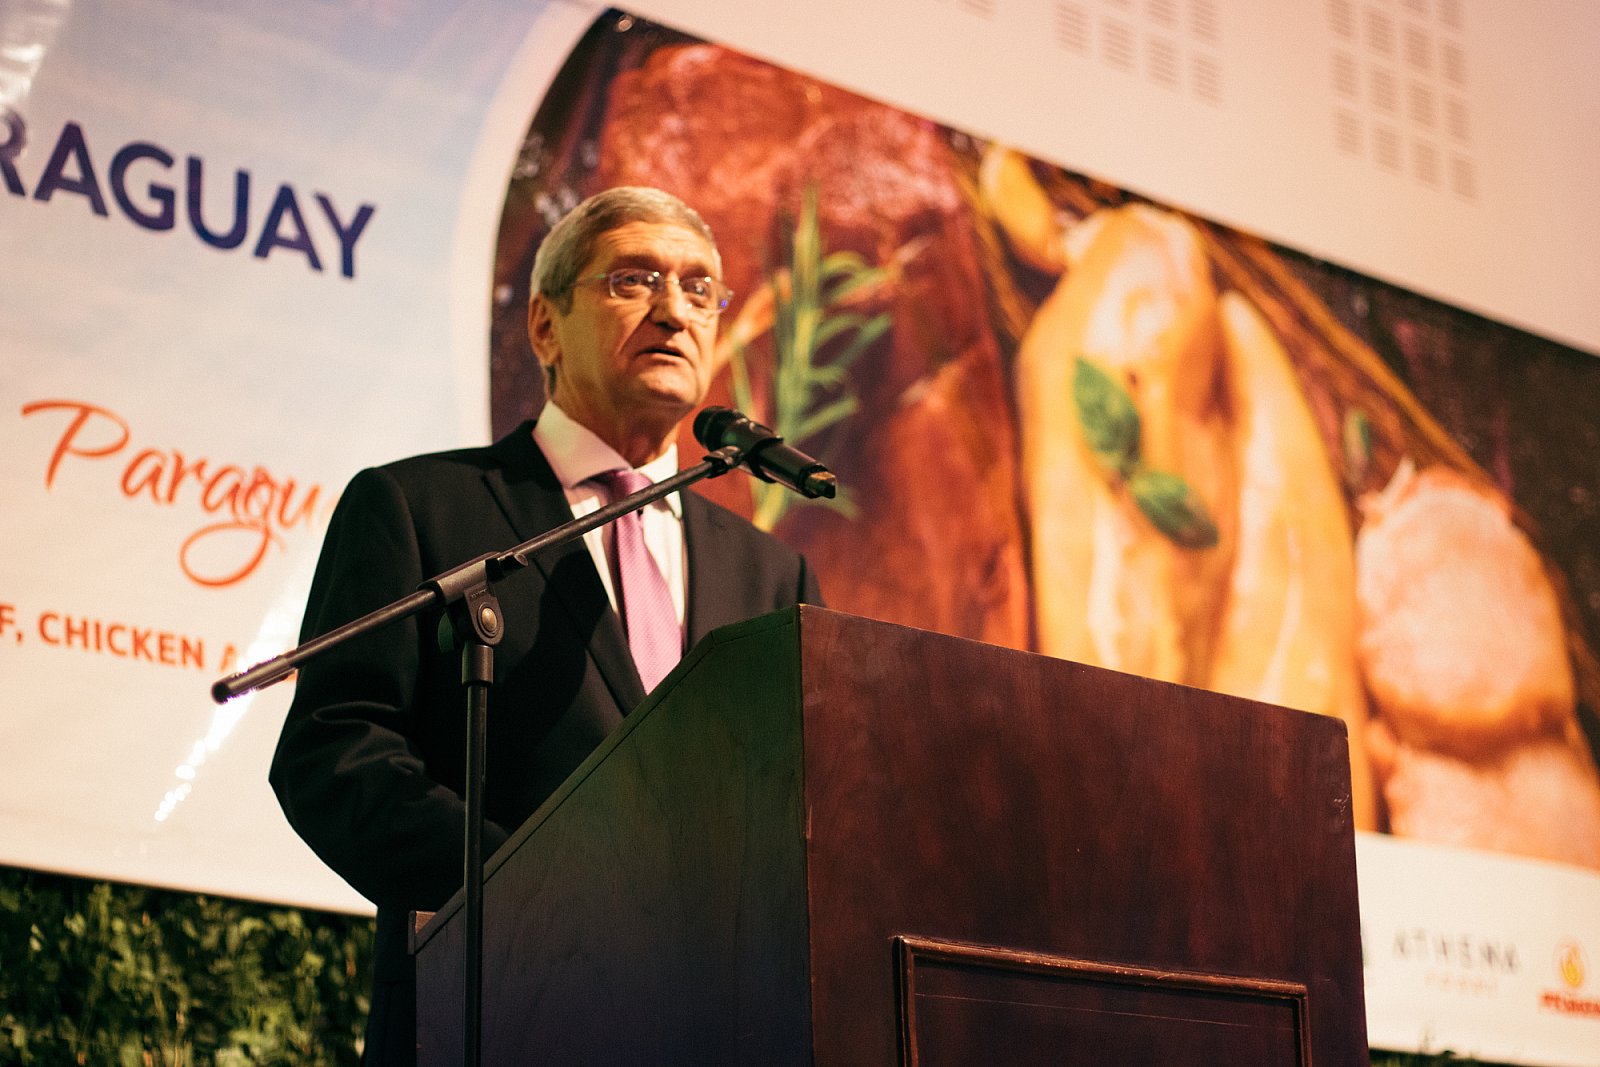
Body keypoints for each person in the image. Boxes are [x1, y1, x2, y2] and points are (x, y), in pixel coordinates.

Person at [269, 187, 822, 1065]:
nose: (673, 310)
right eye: (634, 279)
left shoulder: (773, 575)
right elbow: (335, 751)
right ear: (543, 325)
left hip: (719, 1028)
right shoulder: (418, 506)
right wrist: (529, 889)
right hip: (491, 1010)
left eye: (698, 287)